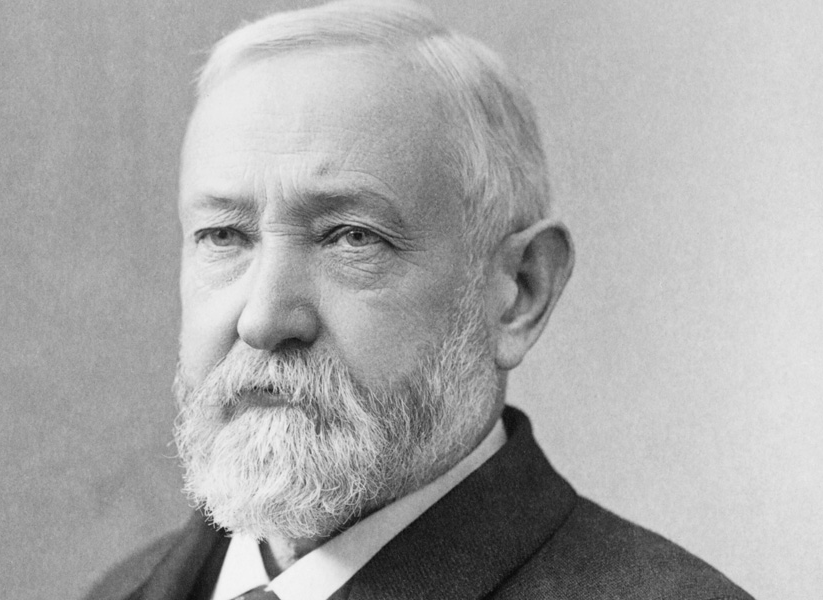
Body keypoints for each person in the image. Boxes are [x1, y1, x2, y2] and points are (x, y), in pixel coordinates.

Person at [86, 1, 753, 598]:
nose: (263, 319)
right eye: (223, 236)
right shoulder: (124, 590)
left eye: (352, 237)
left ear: (520, 292)